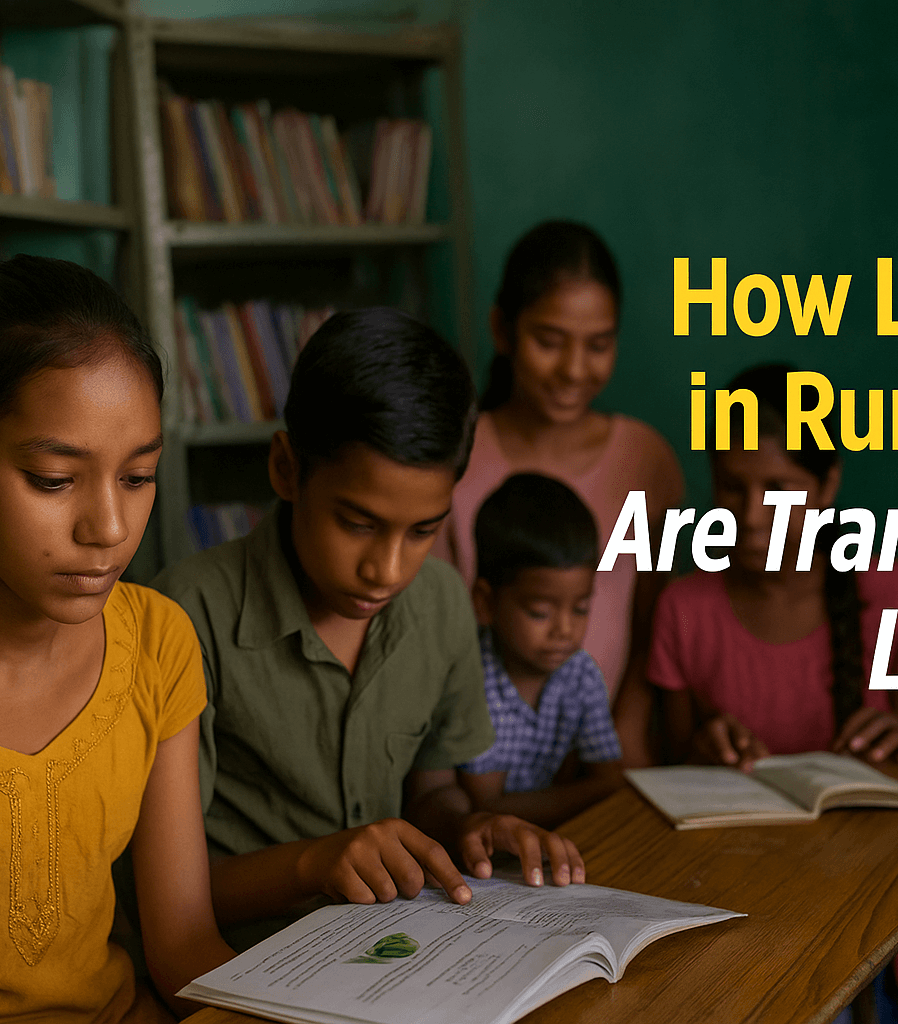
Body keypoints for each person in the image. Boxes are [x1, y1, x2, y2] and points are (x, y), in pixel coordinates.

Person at [0, 255, 232, 1023]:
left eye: (138, 477)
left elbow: (186, 947)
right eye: (54, 479)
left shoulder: (157, 640)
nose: (110, 531)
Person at [151, 308, 584, 952]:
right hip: (248, 962)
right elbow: (164, 897)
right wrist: (314, 863)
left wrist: (471, 828)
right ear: (286, 470)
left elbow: (432, 787)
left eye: (422, 532)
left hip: (398, 953)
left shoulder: (440, 603)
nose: (386, 570)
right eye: (357, 523)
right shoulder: (184, 618)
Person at [646, 363, 898, 1023]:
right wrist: (703, 743)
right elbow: (668, 762)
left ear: (828, 483)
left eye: (777, 488)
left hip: (881, 901)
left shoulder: (891, 593)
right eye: (731, 487)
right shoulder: (685, 607)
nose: (751, 517)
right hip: (739, 905)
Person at [434, 221, 684, 762]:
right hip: (484, 756)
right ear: (503, 330)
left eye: (598, 345)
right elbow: (432, 636)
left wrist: (623, 739)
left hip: (608, 751)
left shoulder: (647, 460)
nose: (574, 370)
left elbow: (652, 627)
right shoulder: (451, 457)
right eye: (549, 341)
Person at [456, 474, 624, 827]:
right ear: (485, 602)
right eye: (540, 612)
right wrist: (587, 792)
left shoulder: (580, 674)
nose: (564, 629)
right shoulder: (470, 679)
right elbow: (486, 807)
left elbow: (609, 779)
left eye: (580, 608)